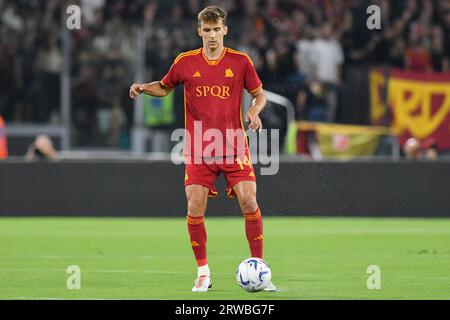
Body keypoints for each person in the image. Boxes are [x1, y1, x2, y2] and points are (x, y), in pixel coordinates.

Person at [129, 6, 275, 293]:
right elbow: (164, 86)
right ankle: (203, 273)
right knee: (195, 205)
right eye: (206, 30)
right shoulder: (184, 62)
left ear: (225, 30)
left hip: (233, 146)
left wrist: (255, 112)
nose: (211, 35)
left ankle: (259, 269)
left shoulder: (241, 61)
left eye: (216, 29)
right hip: (198, 148)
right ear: (199, 32)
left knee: (249, 200)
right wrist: (145, 88)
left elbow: (259, 95)